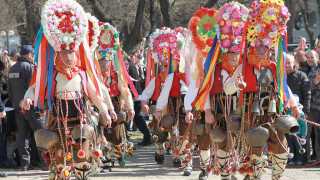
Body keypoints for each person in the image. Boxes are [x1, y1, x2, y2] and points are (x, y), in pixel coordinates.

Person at [20, 1, 111, 179]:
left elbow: (95, 95)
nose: (69, 57)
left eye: (72, 53)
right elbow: (34, 88)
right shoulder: (50, 75)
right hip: (58, 124)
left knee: (82, 163)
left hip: (81, 122)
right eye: (65, 53)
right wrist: (27, 99)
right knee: (60, 165)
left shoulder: (82, 75)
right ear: (57, 54)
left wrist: (105, 112)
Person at [224, 1, 300, 179]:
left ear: (269, 47)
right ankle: (254, 176)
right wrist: (236, 84)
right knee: (255, 151)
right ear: (253, 46)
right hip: (251, 112)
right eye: (258, 47)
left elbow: (283, 86)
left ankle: (275, 177)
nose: (261, 50)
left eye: (265, 47)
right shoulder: (243, 66)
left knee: (281, 150)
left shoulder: (275, 66)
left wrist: (295, 106)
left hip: (273, 113)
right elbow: (228, 89)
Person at [8, 45, 45, 171]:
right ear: (29, 55)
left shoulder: (12, 68)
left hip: (18, 108)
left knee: (22, 136)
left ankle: (25, 164)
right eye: (33, 55)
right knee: (41, 134)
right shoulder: (30, 68)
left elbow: (10, 90)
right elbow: (34, 88)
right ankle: (45, 163)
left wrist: (15, 104)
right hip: (31, 108)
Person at [126, 57, 152, 146]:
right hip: (135, 95)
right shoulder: (131, 65)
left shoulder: (127, 65)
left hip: (133, 96)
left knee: (134, 117)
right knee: (136, 117)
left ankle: (146, 136)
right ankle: (146, 136)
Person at [306, 49, 320, 164]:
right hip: (314, 108)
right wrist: (315, 82)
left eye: (312, 57)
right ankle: (317, 160)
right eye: (308, 57)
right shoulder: (312, 72)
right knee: (314, 134)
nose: (310, 59)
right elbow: (308, 89)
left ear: (317, 58)